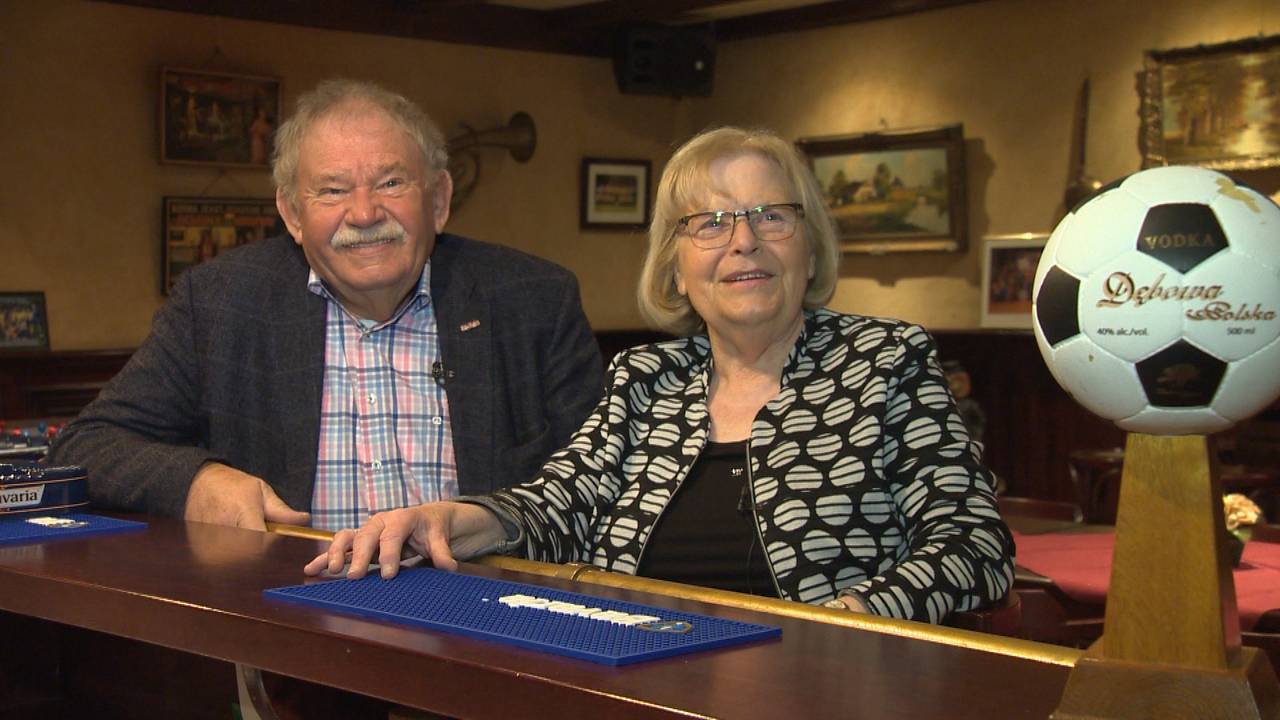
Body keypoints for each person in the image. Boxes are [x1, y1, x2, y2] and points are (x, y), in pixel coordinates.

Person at [308, 126, 1014, 623]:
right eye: (709, 223)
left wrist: (849, 621)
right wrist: (452, 519)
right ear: (676, 261)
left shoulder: (886, 363)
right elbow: (560, 503)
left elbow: (973, 544)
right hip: (641, 682)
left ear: (809, 244)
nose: (744, 241)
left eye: (771, 215)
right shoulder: (645, 377)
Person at [49, 79, 604, 533]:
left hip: (486, 616)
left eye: (390, 182)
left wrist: (494, 521)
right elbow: (86, 447)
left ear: (438, 200)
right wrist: (197, 480)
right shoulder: (218, 303)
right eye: (332, 191)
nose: (364, 214)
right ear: (292, 215)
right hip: (290, 617)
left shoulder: (534, 301)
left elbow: (602, 485)